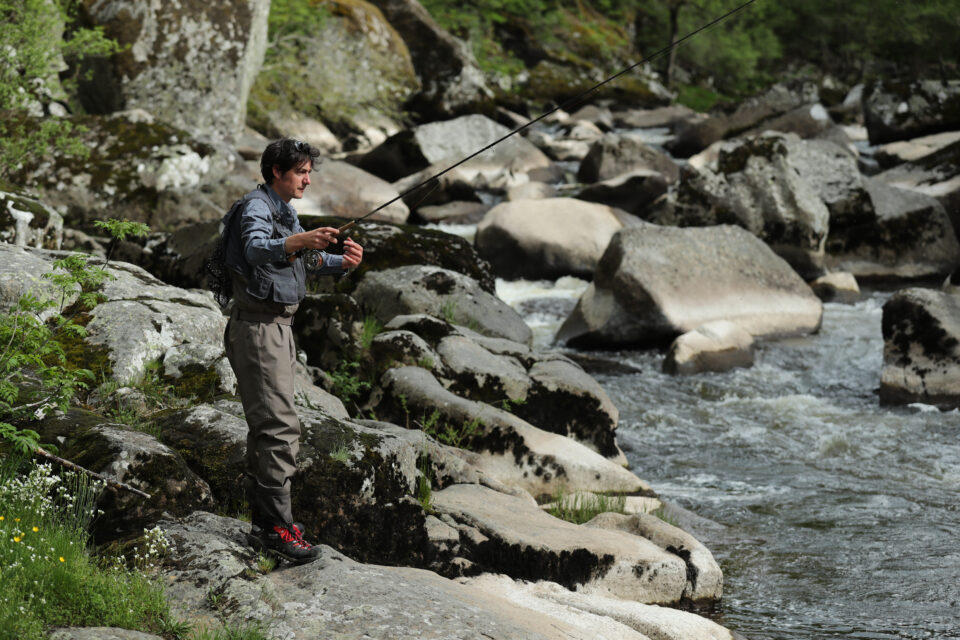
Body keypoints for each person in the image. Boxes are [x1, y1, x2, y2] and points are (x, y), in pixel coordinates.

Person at [223, 138, 363, 564]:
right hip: (259, 330)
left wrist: (343, 263)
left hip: (278, 329)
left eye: (308, 172)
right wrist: (301, 240)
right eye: (300, 171)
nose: (307, 179)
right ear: (275, 172)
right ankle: (277, 530)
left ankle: (266, 522)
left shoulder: (283, 211)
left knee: (268, 427)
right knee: (280, 428)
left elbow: (298, 262)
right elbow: (254, 249)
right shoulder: (256, 208)